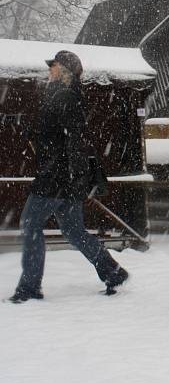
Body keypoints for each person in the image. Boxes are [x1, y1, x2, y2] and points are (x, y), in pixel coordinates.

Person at [9, 50, 128, 303]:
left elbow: (74, 140)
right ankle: (112, 272)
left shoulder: (64, 96)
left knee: (30, 224)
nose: (49, 70)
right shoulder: (64, 95)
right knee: (74, 231)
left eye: (53, 66)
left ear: (64, 70)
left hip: (56, 177)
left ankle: (30, 287)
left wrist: (64, 172)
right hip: (67, 178)